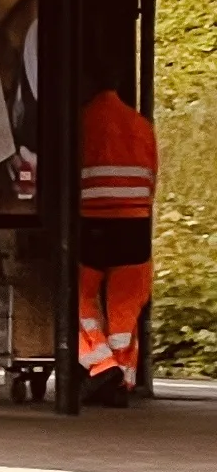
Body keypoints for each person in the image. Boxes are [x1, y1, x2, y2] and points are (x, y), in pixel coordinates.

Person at [80, 84, 159, 405]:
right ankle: (123, 379)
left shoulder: (82, 121)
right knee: (126, 306)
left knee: (77, 296)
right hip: (136, 225)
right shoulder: (141, 125)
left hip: (92, 224)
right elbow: (153, 175)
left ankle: (101, 366)